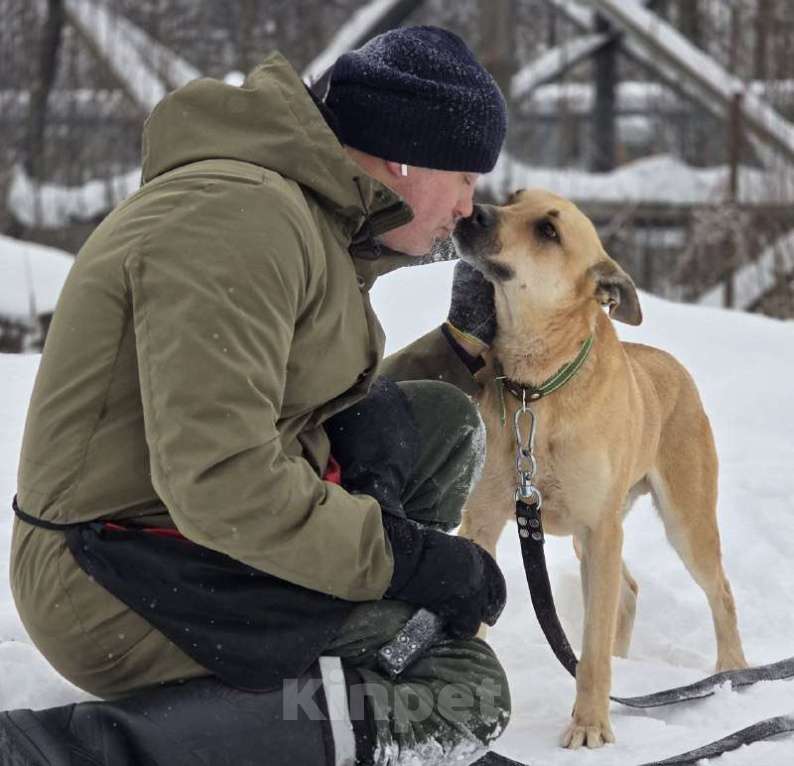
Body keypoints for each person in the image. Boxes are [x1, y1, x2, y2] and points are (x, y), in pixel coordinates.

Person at [2, 25, 510, 766]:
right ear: (404, 154)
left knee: (437, 420)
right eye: (464, 176)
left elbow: (297, 405)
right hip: (112, 574)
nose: (468, 205)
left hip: (184, 533)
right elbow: (220, 478)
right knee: (463, 693)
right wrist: (400, 558)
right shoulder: (238, 221)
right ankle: (71, 751)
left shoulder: (306, 216)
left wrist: (460, 352)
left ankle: (352, 673)